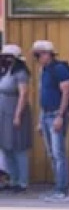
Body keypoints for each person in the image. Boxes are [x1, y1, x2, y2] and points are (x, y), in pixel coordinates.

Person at [32, 40, 69, 203]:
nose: (37, 58)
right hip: (46, 114)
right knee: (52, 154)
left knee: (58, 154)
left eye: (39, 55)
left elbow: (66, 92)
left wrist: (60, 116)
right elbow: (43, 96)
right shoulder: (44, 70)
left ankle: (62, 190)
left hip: (56, 114)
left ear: (48, 54)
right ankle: (58, 187)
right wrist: (40, 120)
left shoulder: (59, 69)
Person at [0, 44, 29, 192]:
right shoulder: (6, 72)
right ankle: (13, 179)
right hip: (3, 113)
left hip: (14, 112)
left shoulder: (20, 73)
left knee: (18, 147)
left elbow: (23, 95)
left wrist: (18, 115)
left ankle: (22, 182)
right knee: (6, 147)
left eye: (8, 57)